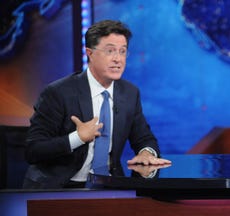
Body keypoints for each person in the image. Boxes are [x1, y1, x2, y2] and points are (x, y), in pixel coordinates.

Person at [23, 20, 171, 188]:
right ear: (90, 53)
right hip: (59, 187)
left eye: (122, 52)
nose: (118, 59)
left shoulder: (130, 93)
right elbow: (33, 150)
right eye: (110, 51)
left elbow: (144, 138)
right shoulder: (58, 93)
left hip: (108, 186)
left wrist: (146, 153)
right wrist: (77, 138)